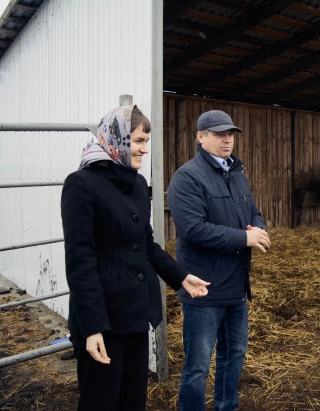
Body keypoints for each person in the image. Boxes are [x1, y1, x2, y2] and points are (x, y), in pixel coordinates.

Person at [61, 105, 210, 411]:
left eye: (146, 141)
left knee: (132, 400)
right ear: (115, 139)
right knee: (100, 402)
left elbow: (146, 244)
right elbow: (80, 261)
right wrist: (92, 328)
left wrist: (180, 275)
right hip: (102, 319)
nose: (145, 149)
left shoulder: (138, 184)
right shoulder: (81, 184)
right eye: (139, 141)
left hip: (134, 315)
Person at [167, 109, 271, 411]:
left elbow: (253, 211)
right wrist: (244, 238)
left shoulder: (236, 173)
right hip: (203, 286)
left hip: (236, 285)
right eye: (219, 134)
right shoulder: (187, 177)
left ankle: (226, 406)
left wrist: (258, 227)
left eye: (231, 134)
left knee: (234, 354)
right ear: (201, 137)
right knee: (198, 365)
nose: (227, 139)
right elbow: (193, 230)